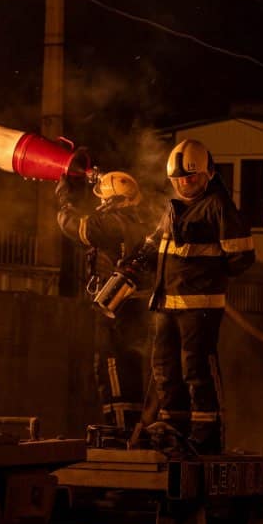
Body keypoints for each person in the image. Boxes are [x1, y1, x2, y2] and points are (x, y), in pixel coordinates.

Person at [144, 139, 255, 455]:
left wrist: (208, 275)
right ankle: (173, 428)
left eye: (191, 177)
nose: (184, 183)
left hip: (200, 306)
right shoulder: (172, 207)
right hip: (167, 304)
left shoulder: (218, 206)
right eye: (178, 179)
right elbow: (154, 247)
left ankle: (206, 434)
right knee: (164, 367)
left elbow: (242, 257)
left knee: (196, 368)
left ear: (207, 174)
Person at [56, 170, 156, 439]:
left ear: (112, 201)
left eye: (102, 198)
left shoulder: (112, 224)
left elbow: (73, 226)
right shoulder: (138, 222)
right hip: (135, 309)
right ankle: (133, 428)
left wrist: (65, 198)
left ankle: (121, 433)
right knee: (131, 370)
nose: (99, 203)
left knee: (112, 369)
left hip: (115, 311)